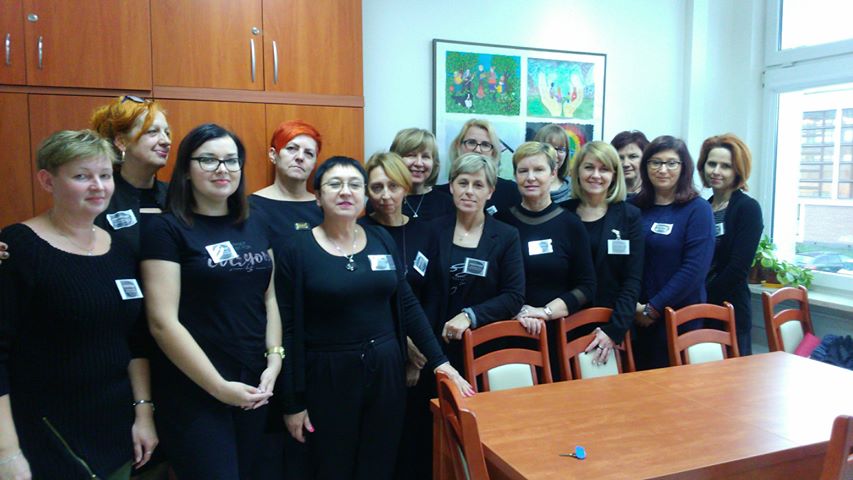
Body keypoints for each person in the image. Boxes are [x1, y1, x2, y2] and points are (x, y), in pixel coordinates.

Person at [274, 156, 472, 479]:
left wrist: (440, 361)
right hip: (328, 374)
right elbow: (289, 329)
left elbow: (406, 301)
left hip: (385, 370)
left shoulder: (379, 239)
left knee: (380, 462)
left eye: (354, 184)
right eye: (335, 184)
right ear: (318, 196)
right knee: (332, 465)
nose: (345, 191)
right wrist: (292, 402)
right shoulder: (296, 249)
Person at [0, 130, 157, 479]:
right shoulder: (18, 248)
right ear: (47, 181)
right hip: (46, 436)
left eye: (105, 175)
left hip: (117, 431)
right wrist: (6, 452)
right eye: (82, 176)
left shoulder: (120, 249)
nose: (98, 186)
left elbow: (135, 340)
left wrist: (143, 413)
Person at [140, 124, 281, 478]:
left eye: (231, 160)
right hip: (195, 388)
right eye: (208, 160)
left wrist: (275, 359)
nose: (223, 169)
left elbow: (269, 296)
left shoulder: (256, 220)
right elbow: (162, 323)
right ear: (187, 169)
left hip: (253, 382)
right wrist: (219, 387)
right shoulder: (166, 229)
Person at [360, 152, 439, 480]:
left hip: (423, 353)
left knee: (417, 439)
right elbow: (366, 301)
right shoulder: (360, 231)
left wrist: (418, 356)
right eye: (376, 187)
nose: (385, 195)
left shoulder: (427, 232)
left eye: (393, 186)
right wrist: (403, 346)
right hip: (381, 352)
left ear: (405, 187)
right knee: (380, 443)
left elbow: (434, 295)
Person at [496, 142, 595, 379]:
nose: (530, 177)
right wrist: (516, 311)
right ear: (515, 175)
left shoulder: (571, 224)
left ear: (553, 173)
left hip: (556, 336)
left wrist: (544, 312)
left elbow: (587, 287)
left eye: (538, 170)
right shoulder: (500, 222)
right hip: (507, 333)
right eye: (523, 170)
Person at [427, 152, 526, 371]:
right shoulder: (433, 230)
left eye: (478, 185)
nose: (469, 191)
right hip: (436, 347)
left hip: (484, 347)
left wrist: (470, 315)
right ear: (451, 186)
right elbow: (422, 291)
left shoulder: (506, 236)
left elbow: (513, 296)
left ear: (490, 191)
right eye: (463, 183)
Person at [631, 135, 715, 370]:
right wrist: (634, 306)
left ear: (683, 168)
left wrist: (653, 308)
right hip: (635, 315)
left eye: (671, 163)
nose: (662, 170)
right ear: (645, 166)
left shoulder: (698, 209)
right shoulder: (634, 207)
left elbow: (694, 269)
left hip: (680, 317)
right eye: (655, 162)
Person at [561, 141, 644, 365]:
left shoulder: (629, 216)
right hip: (566, 326)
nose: (596, 175)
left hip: (612, 325)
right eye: (589, 167)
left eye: (604, 169)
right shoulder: (562, 214)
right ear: (577, 171)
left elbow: (632, 280)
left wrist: (614, 329)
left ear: (614, 175)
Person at [698, 133, 763, 356]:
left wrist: (702, 295)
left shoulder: (747, 208)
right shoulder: (703, 207)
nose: (716, 171)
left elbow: (738, 268)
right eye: (711, 164)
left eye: (725, 166)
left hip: (730, 310)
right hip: (699, 310)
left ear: (738, 171)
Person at [90, 95, 172, 254]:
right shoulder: (100, 197)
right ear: (121, 142)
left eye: (167, 133)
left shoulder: (176, 196)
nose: (166, 141)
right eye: (153, 132)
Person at [251, 120, 324, 242]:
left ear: (314, 163)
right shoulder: (251, 207)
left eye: (309, 153)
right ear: (273, 155)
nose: (300, 157)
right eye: (291, 148)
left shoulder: (324, 207)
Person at [440, 118, 521, 216]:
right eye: (471, 142)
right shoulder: (439, 195)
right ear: (458, 147)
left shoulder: (510, 192)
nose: (477, 150)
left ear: (493, 152)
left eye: (485, 145)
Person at [389, 128, 454, 221]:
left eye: (425, 156)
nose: (419, 163)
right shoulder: (384, 200)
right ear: (395, 159)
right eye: (411, 155)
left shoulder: (446, 203)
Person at [533, 124, 572, 202]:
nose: (555, 155)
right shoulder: (522, 187)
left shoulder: (576, 190)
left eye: (561, 149)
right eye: (549, 148)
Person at [610, 130, 649, 196]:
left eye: (633, 156)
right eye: (620, 158)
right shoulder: (605, 196)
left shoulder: (655, 196)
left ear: (645, 159)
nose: (625, 164)